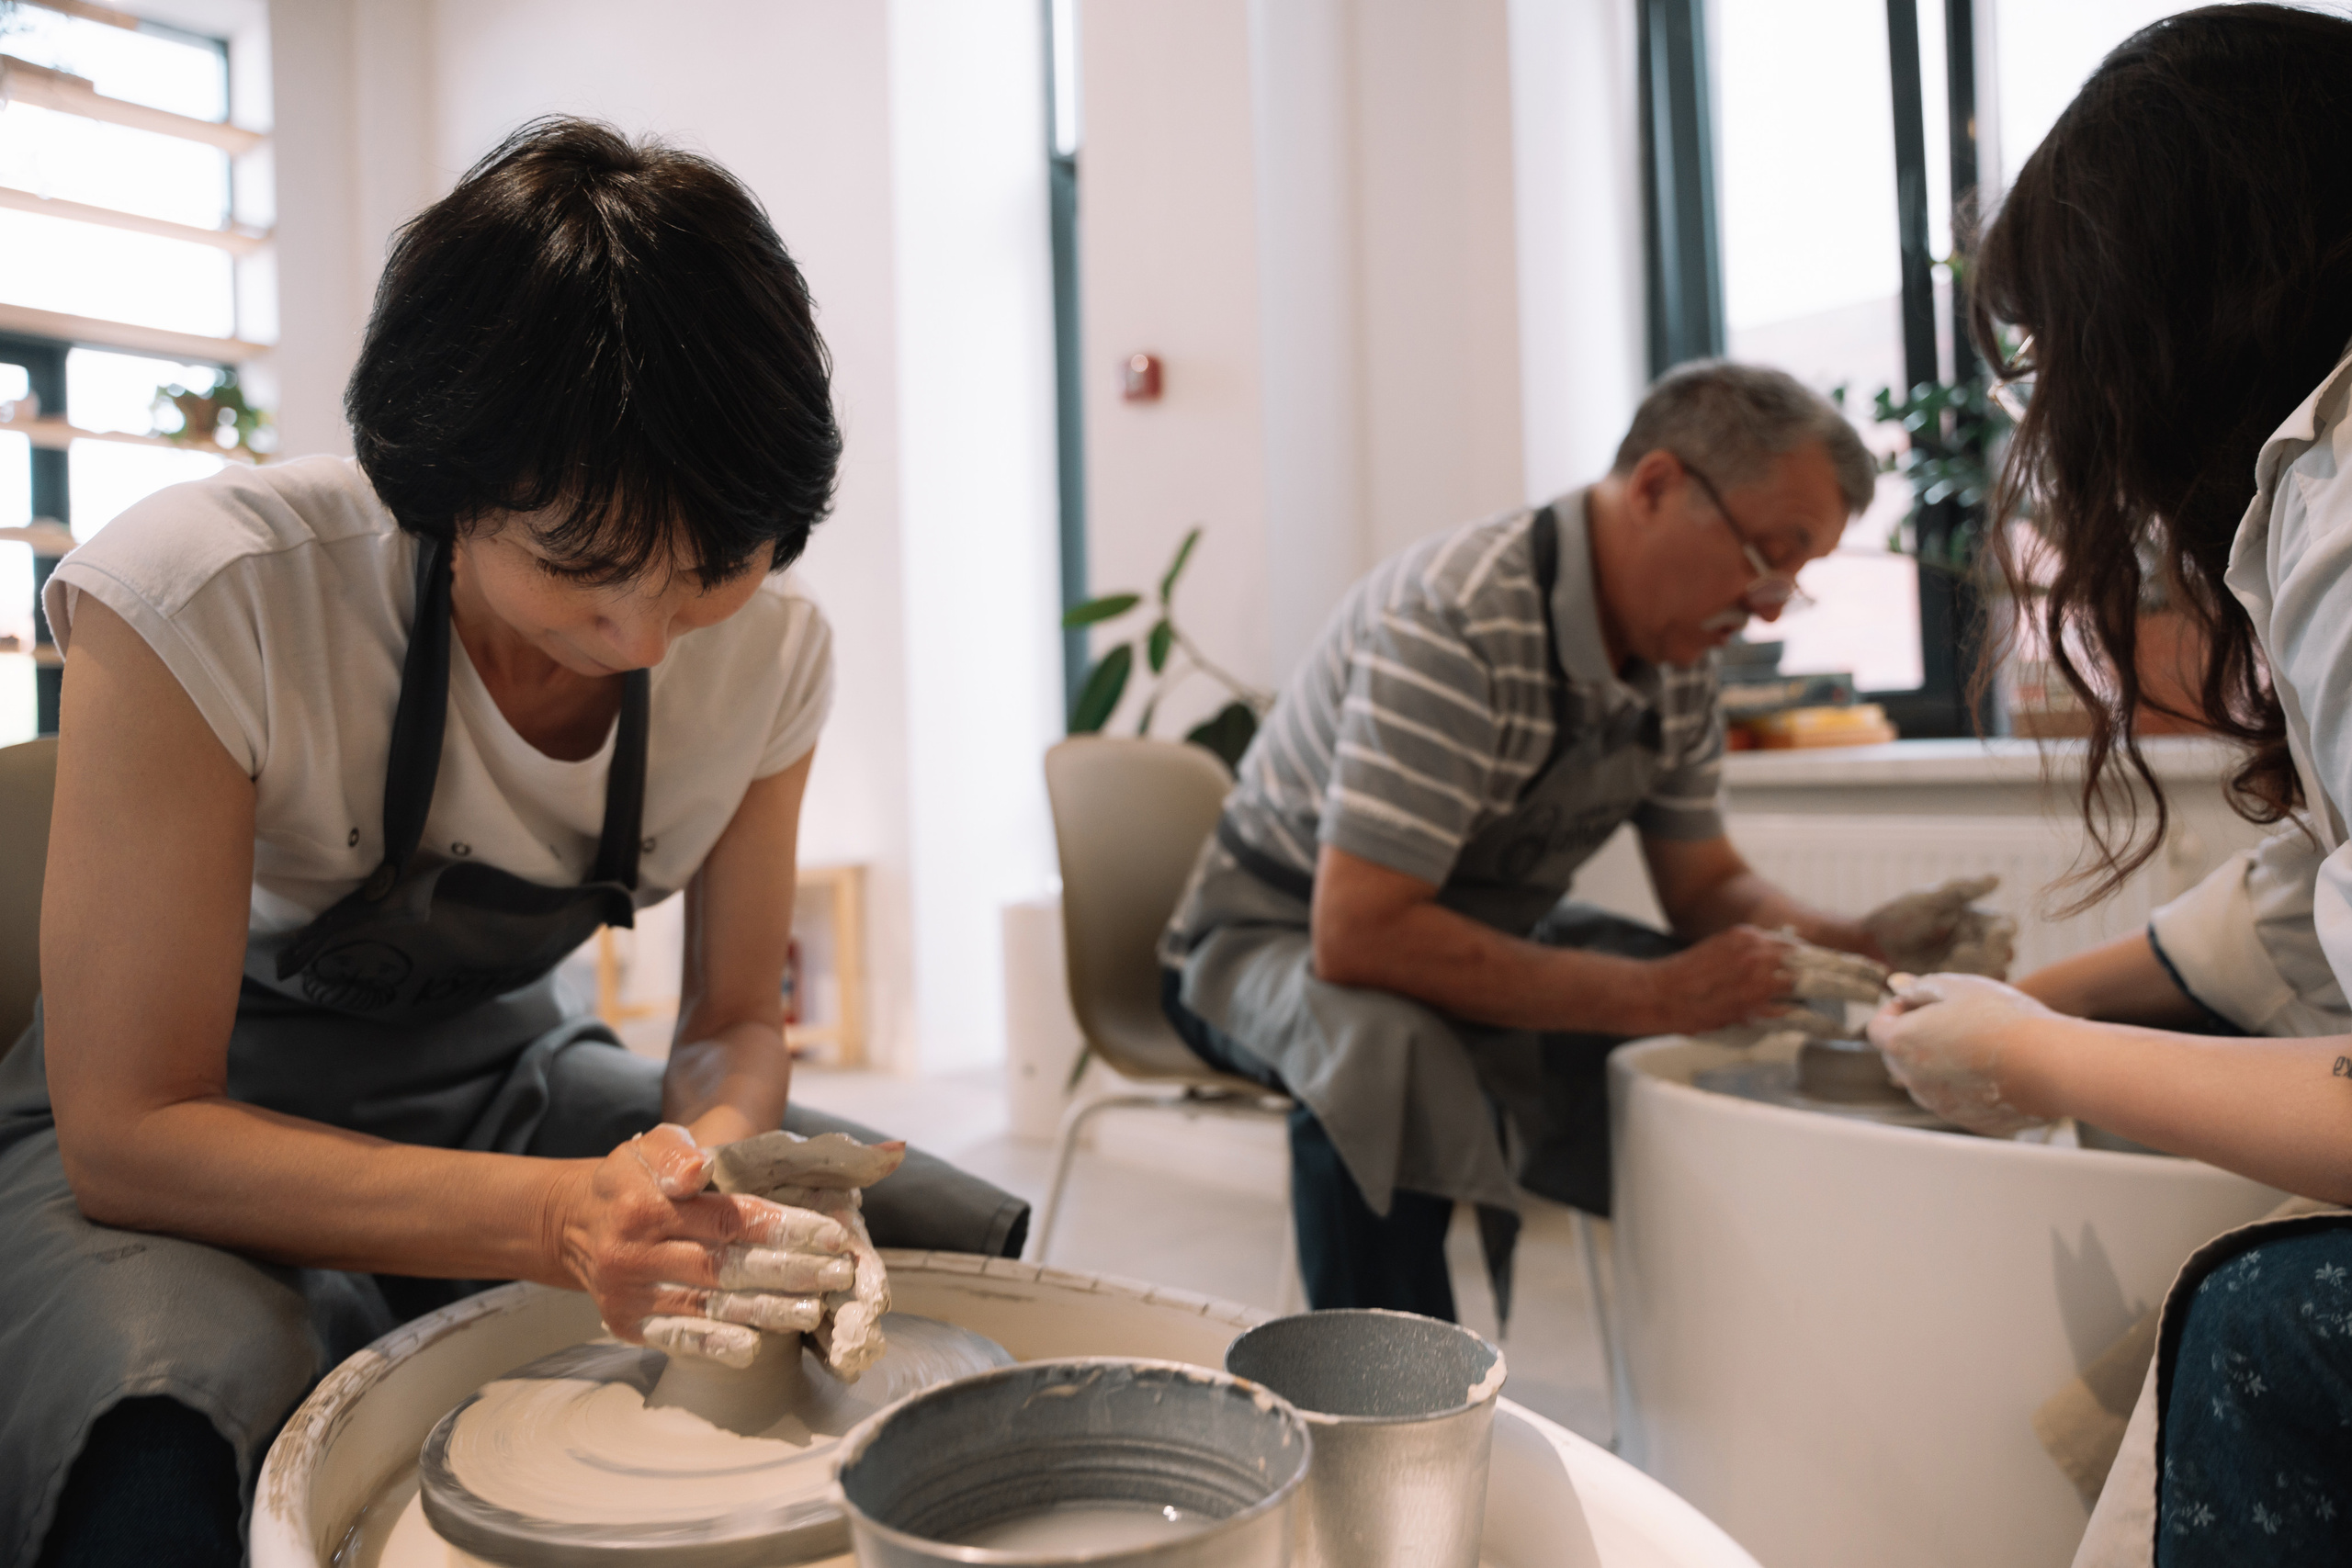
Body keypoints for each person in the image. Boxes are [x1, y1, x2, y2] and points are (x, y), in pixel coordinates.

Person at [0, 119, 1025, 1568]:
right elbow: (131, 1127)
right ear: (444, 490)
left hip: (497, 1073)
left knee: (917, 1232)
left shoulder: (776, 654)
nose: (646, 635)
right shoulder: (206, 595)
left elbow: (731, 1018)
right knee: (175, 1404)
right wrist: (555, 1217)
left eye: (713, 568)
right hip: (193, 1112)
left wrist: (709, 1171)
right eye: (582, 570)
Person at [1159, 360, 1989, 1319]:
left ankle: (1724, 1361)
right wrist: (1652, 994)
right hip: (1267, 935)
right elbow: (1362, 935)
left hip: (1460, 923)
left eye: (1791, 580)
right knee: (1384, 1052)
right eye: (1767, 555)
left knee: (1739, 1011)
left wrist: (1860, 941)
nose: (1768, 605)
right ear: (1655, 487)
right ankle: (1381, 1413)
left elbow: (1706, 887)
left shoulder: (1677, 651)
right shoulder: (1454, 620)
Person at [1859, 8, 2352, 1564]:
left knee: (2243, 1307)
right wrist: (2019, 998)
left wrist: (2041, 1056)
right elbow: (2296, 902)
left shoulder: (2339, 513)